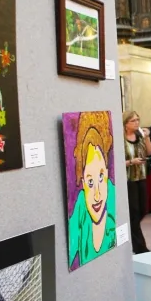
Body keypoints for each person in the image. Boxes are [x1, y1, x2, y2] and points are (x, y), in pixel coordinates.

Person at [68, 111, 117, 270]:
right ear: (82, 183)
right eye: (90, 182)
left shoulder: (112, 197)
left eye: (101, 177)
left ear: (108, 174)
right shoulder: (81, 205)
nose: (97, 195)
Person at [123, 111, 151, 254]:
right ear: (125, 123)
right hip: (129, 180)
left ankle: (134, 239)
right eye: (133, 120)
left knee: (143, 210)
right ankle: (140, 247)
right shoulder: (120, 139)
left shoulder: (140, 136)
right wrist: (130, 162)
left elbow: (149, 152)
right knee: (134, 213)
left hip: (141, 177)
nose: (136, 123)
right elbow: (115, 162)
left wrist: (147, 138)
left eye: (137, 120)